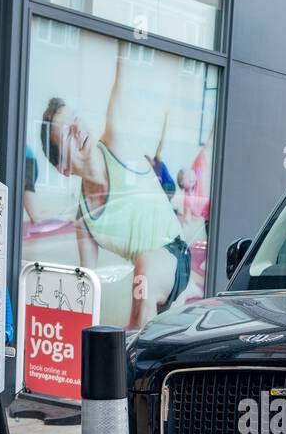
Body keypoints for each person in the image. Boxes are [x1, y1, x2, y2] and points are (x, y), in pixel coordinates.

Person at [38, 51, 191, 330]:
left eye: (74, 118)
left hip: (175, 256)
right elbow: (87, 282)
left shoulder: (116, 142)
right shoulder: (84, 219)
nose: (76, 127)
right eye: (66, 133)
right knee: (137, 297)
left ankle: (131, 370)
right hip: (145, 276)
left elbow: (123, 76)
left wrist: (129, 34)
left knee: (143, 271)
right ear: (64, 168)